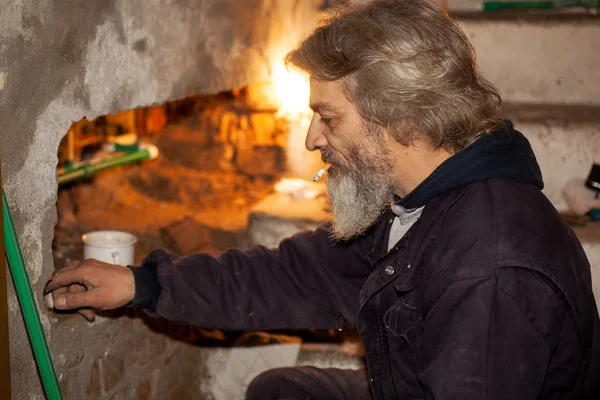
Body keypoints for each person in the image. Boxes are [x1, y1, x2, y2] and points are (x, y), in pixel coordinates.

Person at [45, 0, 600, 398]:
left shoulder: (488, 273)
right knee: (283, 389)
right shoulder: (421, 200)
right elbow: (299, 276)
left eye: (328, 117)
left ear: (401, 119)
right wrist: (142, 284)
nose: (312, 138)